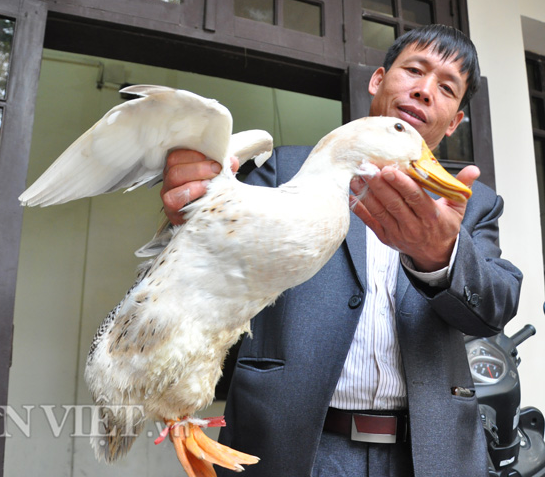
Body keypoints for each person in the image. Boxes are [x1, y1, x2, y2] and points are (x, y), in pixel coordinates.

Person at [160, 25, 522, 476]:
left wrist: (440, 255)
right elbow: (203, 261)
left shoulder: (471, 202)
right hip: (292, 447)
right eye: (414, 70)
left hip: (426, 456)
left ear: (453, 123)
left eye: (446, 88)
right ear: (377, 80)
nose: (425, 91)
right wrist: (193, 200)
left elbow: (494, 308)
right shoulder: (281, 169)